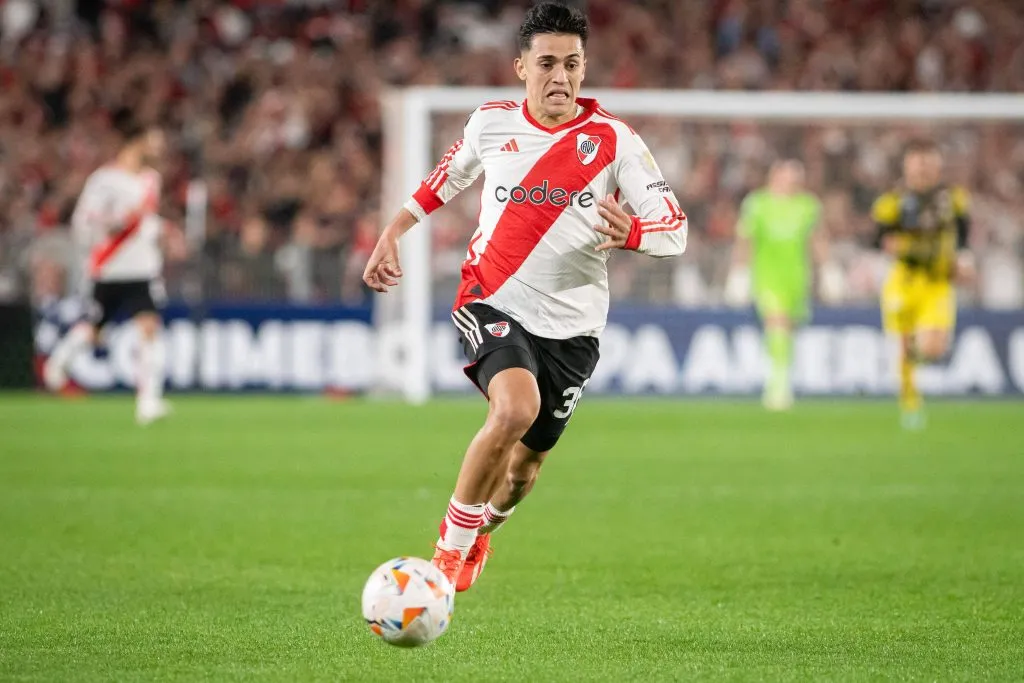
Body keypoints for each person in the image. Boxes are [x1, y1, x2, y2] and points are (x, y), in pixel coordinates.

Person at [362, 2, 687, 591]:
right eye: (546, 64)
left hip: (575, 328)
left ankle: (483, 531)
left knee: (523, 472)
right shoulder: (490, 123)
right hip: (491, 297)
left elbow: (675, 228)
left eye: (571, 64)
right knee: (513, 407)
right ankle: (444, 558)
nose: (559, 77)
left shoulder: (614, 141)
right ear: (520, 67)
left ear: (584, 69)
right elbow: (446, 179)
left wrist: (634, 232)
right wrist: (393, 231)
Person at [43, 110, 181, 425]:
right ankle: (58, 363)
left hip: (142, 268)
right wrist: (116, 224)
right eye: (153, 140)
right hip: (109, 268)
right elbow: (83, 223)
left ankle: (148, 401)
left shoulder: (151, 180)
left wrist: (165, 232)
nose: (159, 147)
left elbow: (145, 222)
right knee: (95, 329)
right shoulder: (104, 180)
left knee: (148, 327)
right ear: (137, 142)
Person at [872, 139, 973, 429]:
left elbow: (964, 234)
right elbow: (879, 240)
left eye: (928, 163)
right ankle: (910, 403)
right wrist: (894, 247)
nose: (923, 171)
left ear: (938, 166)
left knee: (932, 347)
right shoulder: (892, 201)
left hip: (937, 282)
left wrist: (964, 261)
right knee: (906, 343)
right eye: (917, 164)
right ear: (907, 166)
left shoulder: (953, 198)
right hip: (903, 281)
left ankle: (908, 361)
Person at [725, 160, 830, 410]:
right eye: (788, 177)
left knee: (786, 330)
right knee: (777, 321)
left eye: (796, 179)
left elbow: (818, 239)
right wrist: (739, 272)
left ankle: (781, 375)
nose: (792, 183)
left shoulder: (807, 205)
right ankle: (779, 386)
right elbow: (745, 240)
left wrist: (827, 271)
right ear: (775, 176)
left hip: (796, 277)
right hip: (766, 277)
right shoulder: (757, 204)